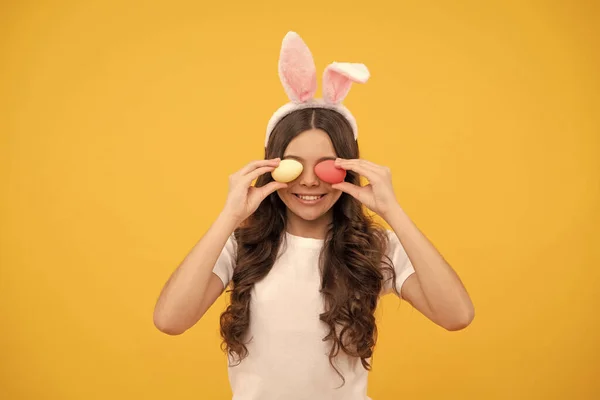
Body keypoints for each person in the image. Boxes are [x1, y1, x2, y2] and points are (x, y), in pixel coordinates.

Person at [153, 31, 474, 400]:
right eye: (294, 165)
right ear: (272, 166)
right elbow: (170, 321)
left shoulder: (373, 247)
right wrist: (229, 215)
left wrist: (393, 211)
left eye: (326, 167)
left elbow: (457, 316)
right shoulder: (243, 245)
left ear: (349, 168)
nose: (308, 181)